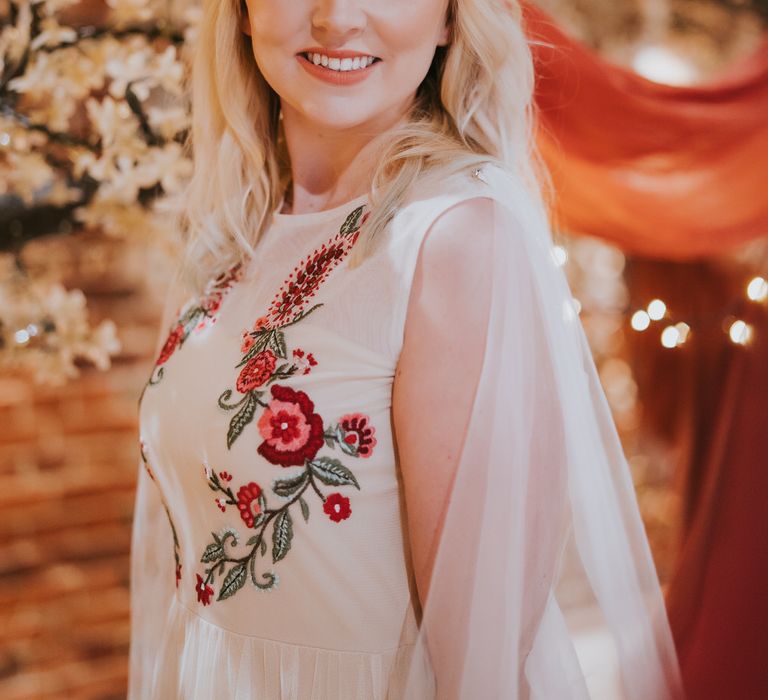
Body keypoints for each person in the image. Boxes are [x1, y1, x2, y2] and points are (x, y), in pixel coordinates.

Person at [128, 0, 685, 698]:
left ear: (453, 16)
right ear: (240, 11)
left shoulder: (452, 240)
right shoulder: (234, 231)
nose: (336, 18)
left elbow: (477, 661)